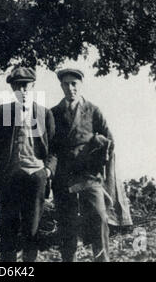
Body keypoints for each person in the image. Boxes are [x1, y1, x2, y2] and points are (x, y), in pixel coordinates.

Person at [51, 68, 132, 262]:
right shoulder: (53, 113)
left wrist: (97, 154)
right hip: (64, 176)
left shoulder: (93, 110)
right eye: (66, 84)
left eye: (74, 84)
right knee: (66, 224)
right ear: (61, 86)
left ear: (81, 85)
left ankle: (102, 260)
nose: (70, 88)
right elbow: (50, 147)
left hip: (89, 176)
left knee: (99, 220)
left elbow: (110, 142)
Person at [0, 66, 57, 262]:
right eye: (18, 86)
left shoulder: (45, 114)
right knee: (8, 231)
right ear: (13, 89)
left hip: (36, 176)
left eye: (27, 86)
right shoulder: (3, 112)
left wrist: (47, 171)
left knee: (32, 230)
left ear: (33, 86)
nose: (23, 91)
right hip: (10, 177)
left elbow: (54, 148)